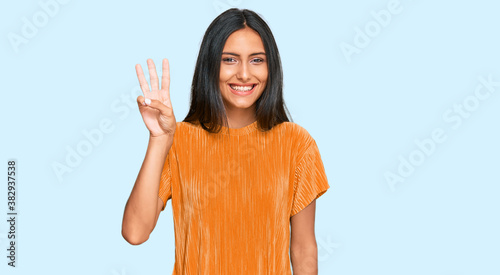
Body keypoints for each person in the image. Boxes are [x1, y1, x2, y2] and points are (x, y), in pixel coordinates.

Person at [121, 8, 330, 275]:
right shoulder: (178, 139)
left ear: (271, 68)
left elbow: (303, 249)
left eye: (257, 60)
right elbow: (135, 232)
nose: (244, 74)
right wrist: (160, 139)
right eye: (230, 59)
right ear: (211, 65)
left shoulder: (296, 144)